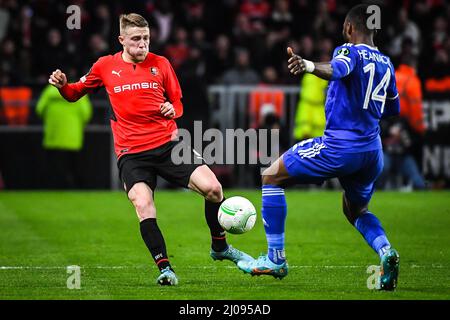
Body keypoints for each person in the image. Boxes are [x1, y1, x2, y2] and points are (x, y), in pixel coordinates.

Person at [48, 13, 251, 286]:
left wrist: (171, 109)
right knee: (144, 205)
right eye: (135, 39)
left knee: (214, 189)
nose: (142, 44)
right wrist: (63, 86)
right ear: (121, 40)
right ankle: (165, 268)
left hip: (169, 145)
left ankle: (220, 247)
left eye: (146, 38)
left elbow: (178, 103)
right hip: (132, 154)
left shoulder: (161, 64)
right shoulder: (104, 66)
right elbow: (74, 93)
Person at [237, 4, 401, 291]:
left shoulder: (348, 50)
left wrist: (309, 65)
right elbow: (392, 109)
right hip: (372, 151)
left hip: (340, 146)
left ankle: (276, 259)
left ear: (350, 28)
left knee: (271, 176)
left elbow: (338, 69)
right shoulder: (387, 63)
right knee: (355, 210)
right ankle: (386, 251)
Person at [36, 83, 92, 189]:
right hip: (73, 138)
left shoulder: (49, 91)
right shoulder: (79, 90)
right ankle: (74, 188)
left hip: (53, 137)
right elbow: (86, 113)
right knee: (73, 167)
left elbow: (39, 109)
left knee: (54, 167)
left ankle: (53, 188)